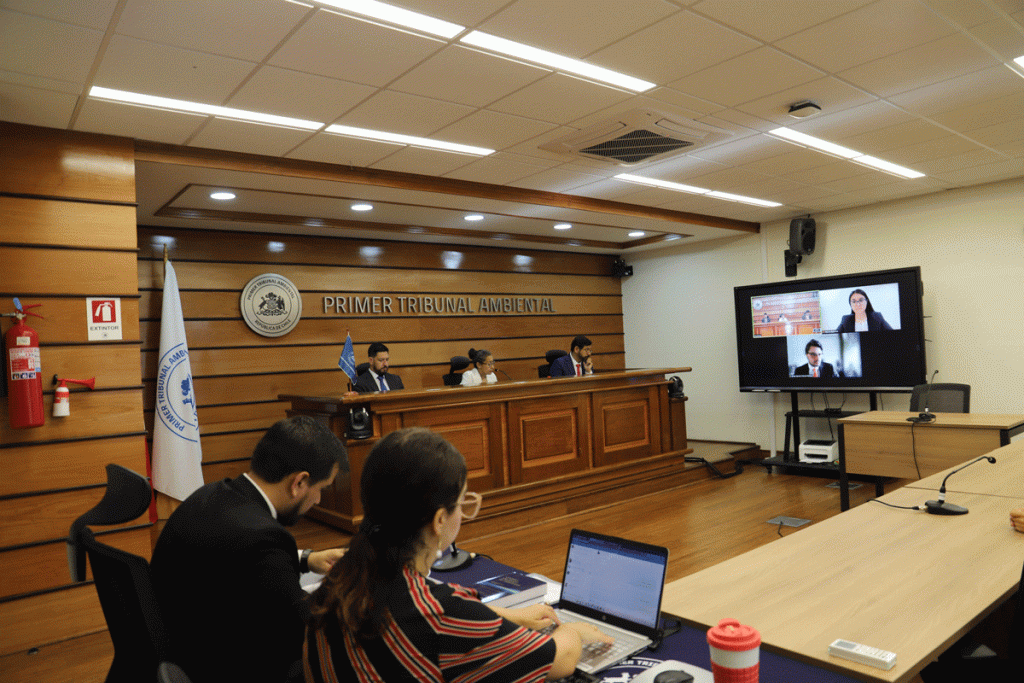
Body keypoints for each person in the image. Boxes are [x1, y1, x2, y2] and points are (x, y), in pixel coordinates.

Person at [304, 427, 612, 682]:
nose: (463, 513)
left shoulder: (337, 582)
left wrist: (507, 616)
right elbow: (560, 659)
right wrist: (571, 631)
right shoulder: (441, 613)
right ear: (439, 520)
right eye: (463, 502)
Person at [151, 416, 349, 683]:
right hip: (223, 666)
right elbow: (301, 630)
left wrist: (307, 559)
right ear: (299, 482)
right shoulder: (265, 539)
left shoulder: (210, 495)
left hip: (178, 648)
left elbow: (232, 558)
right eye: (321, 488)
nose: (318, 499)